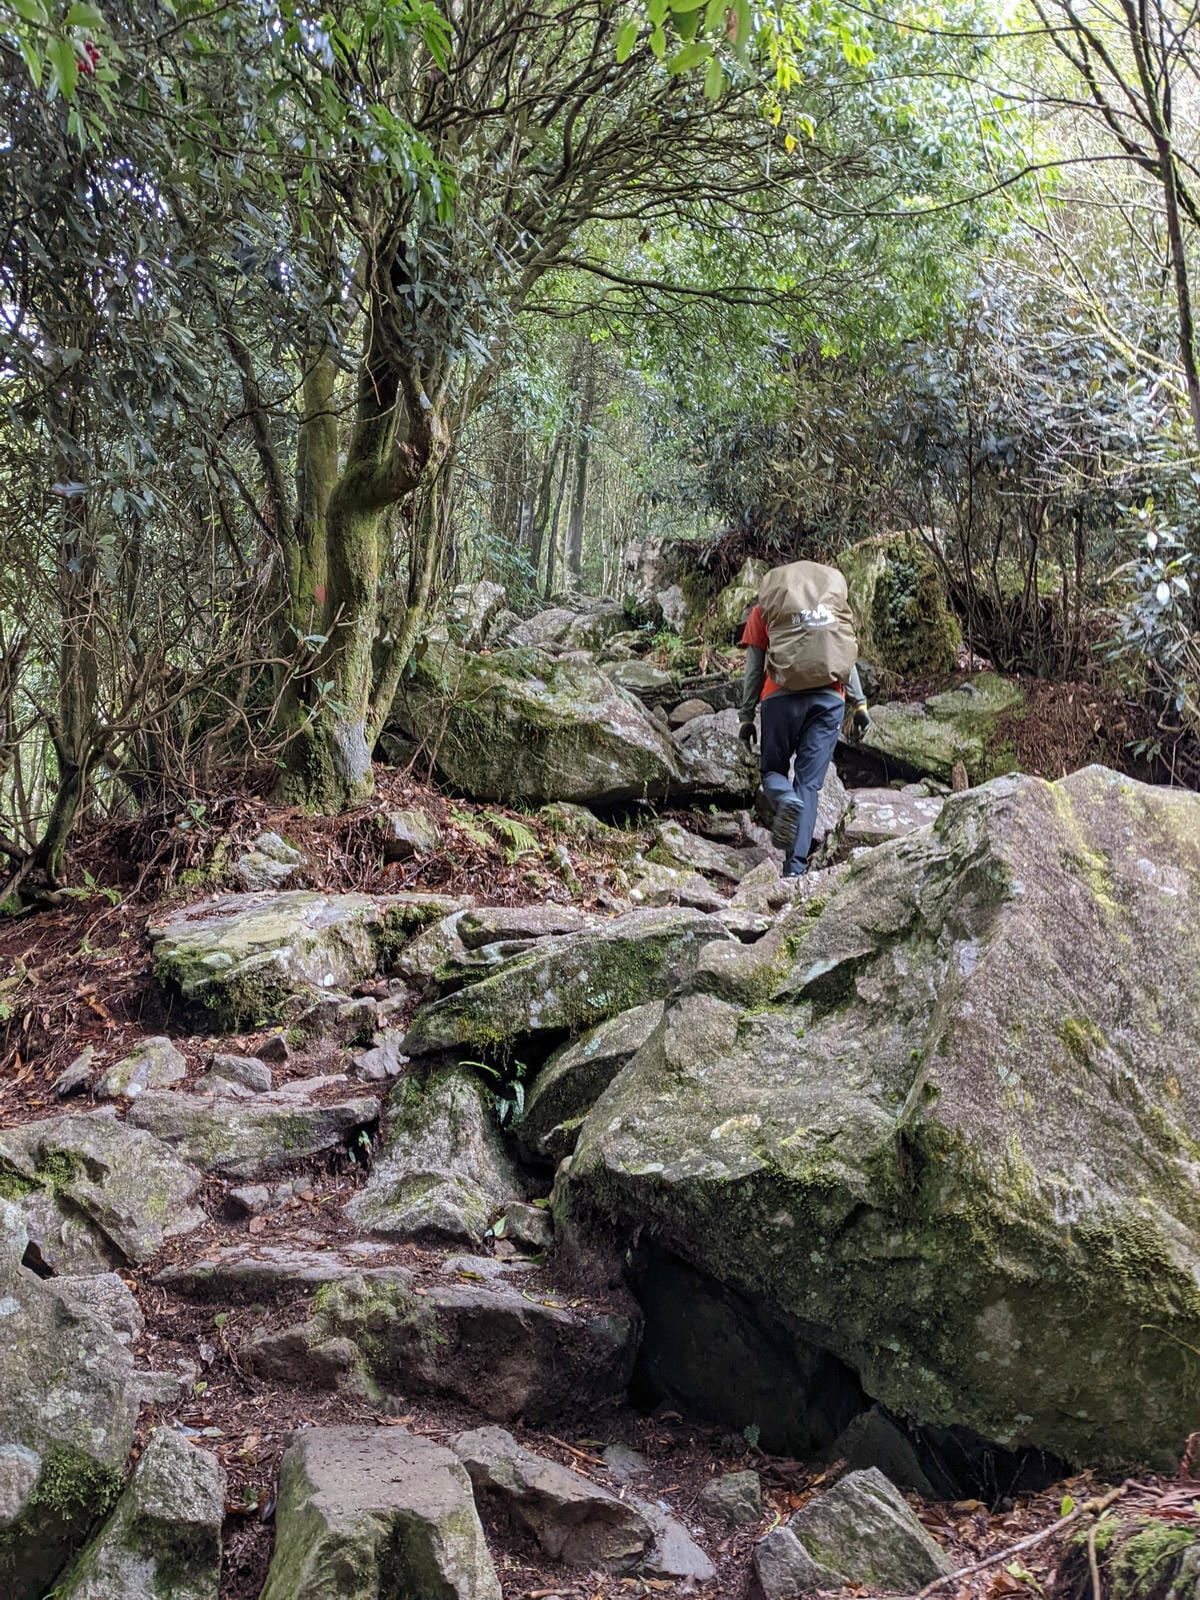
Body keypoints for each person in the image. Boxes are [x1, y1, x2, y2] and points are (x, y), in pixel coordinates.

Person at [737, 570, 870, 878]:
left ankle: (785, 800)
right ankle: (794, 869)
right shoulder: (830, 610)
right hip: (829, 700)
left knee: (773, 772)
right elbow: (843, 657)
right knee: (809, 784)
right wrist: (860, 703)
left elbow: (754, 669)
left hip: (779, 699)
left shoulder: (765, 609)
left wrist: (746, 717)